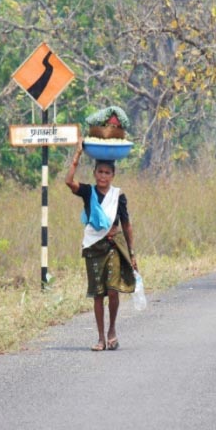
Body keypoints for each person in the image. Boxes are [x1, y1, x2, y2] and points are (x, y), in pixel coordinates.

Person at [65, 143, 137, 351]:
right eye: (100, 172)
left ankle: (112, 330)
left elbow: (126, 225)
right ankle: (100, 338)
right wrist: (77, 155)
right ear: (95, 173)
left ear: (113, 175)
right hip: (93, 248)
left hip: (113, 246)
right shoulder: (88, 192)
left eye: (107, 173)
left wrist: (132, 253)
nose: (103, 176)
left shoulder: (118, 196)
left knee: (113, 291)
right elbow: (68, 181)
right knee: (98, 293)